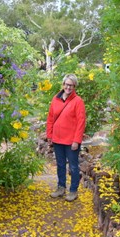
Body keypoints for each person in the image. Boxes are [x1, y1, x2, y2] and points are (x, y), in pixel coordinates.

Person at [46, 74, 86, 202]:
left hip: (71, 141)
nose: (68, 87)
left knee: (73, 166)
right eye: (67, 84)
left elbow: (81, 122)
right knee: (60, 165)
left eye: (71, 85)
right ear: (63, 85)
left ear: (74, 87)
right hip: (57, 138)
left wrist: (76, 140)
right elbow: (50, 118)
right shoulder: (56, 99)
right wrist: (49, 135)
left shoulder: (78, 101)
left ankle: (73, 190)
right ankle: (61, 188)